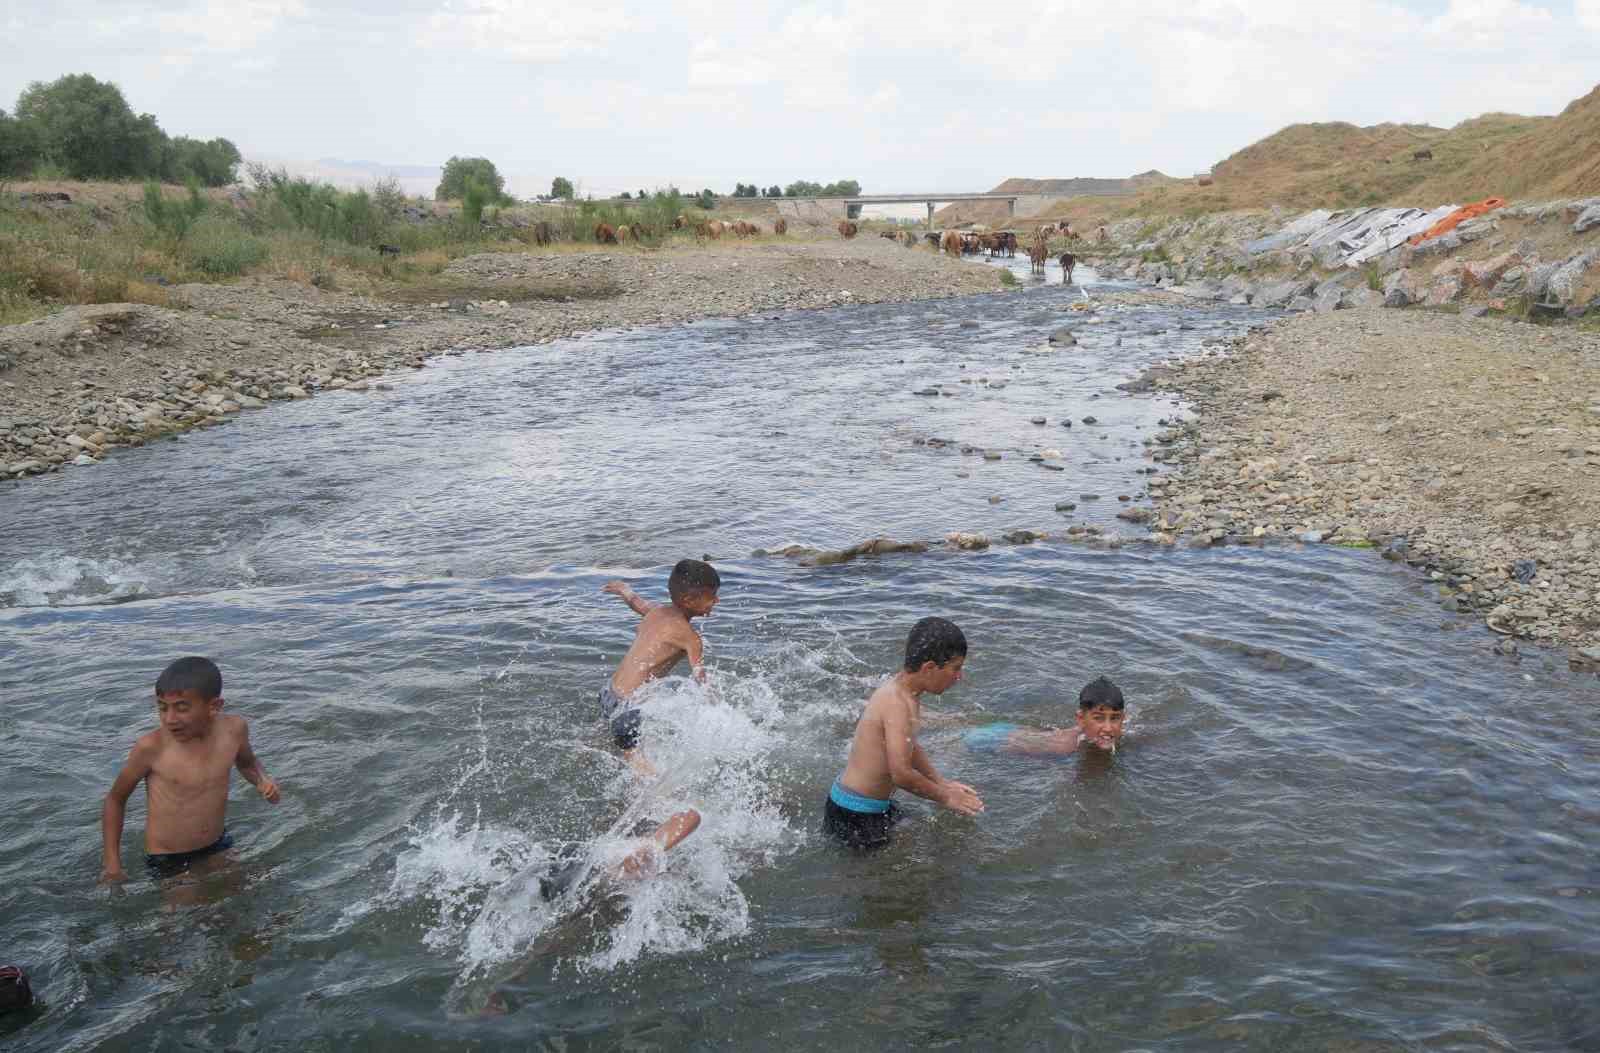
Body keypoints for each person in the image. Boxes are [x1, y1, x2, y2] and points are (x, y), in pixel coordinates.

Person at [100, 656, 280, 884]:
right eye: (162, 708)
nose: (170, 719)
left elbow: (247, 763)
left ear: (214, 706)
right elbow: (115, 800)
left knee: (257, 894)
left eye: (181, 708)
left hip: (217, 844)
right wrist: (112, 866)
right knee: (189, 915)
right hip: (169, 858)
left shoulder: (234, 730)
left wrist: (262, 781)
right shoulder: (152, 748)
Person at [824, 617, 984, 850]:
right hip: (854, 815)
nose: (959, 676)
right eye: (955, 668)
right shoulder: (897, 703)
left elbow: (909, 746)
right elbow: (901, 774)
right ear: (929, 668)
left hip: (869, 805)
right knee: (891, 881)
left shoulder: (908, 692)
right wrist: (947, 797)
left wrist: (941, 783)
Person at [599, 560, 721, 771]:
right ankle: (667, 802)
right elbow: (700, 679)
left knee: (610, 741)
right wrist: (718, 710)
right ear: (689, 600)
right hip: (629, 707)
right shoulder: (691, 638)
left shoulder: (655, 611)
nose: (717, 601)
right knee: (642, 768)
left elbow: (635, 602)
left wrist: (624, 589)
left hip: (609, 693)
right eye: (712, 596)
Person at [537, 809, 701, 901]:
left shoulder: (626, 852)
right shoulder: (611, 862)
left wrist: (652, 847)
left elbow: (690, 816)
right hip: (585, 873)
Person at [963, 676, 1128, 756]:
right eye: (1098, 718)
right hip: (987, 738)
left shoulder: (1117, 733)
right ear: (1080, 719)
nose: (1108, 728)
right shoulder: (1064, 748)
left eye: (1114, 718)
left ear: (1123, 718)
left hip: (1014, 730)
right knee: (960, 731)